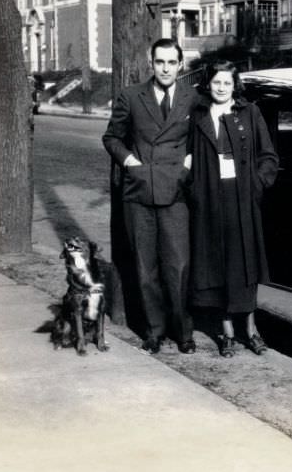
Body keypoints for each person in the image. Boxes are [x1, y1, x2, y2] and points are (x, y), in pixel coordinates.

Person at [102, 38, 197, 355]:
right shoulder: (131, 96)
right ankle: (153, 331)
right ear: (151, 63)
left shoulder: (192, 99)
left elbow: (201, 140)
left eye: (172, 62)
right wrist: (131, 163)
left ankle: (183, 332)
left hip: (176, 193)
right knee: (145, 268)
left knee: (179, 266)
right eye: (160, 62)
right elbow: (112, 137)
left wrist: (187, 165)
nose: (166, 68)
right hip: (139, 193)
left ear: (180, 65)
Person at [187, 61, 278, 357]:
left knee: (246, 266)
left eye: (227, 83)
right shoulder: (198, 115)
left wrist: (257, 184)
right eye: (216, 83)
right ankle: (226, 332)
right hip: (210, 200)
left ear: (234, 85)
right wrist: (194, 188)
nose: (221, 88)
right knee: (218, 266)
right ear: (208, 84)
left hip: (242, 199)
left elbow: (269, 156)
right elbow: (186, 156)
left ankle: (251, 330)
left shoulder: (249, 113)